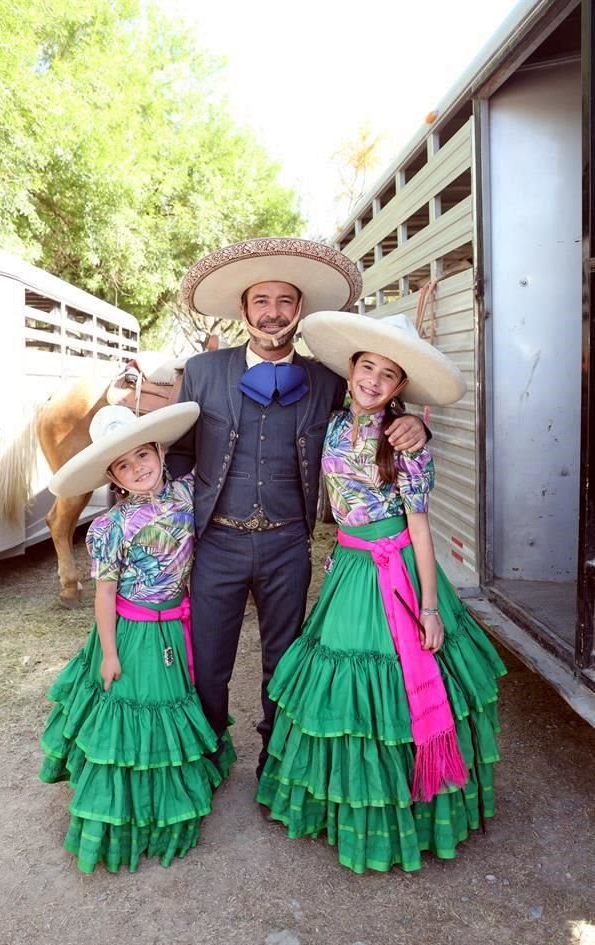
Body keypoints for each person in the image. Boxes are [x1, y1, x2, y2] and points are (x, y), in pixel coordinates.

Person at [166, 237, 429, 784]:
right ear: (244, 310)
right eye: (261, 300)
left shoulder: (326, 380)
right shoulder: (202, 371)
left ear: (300, 310)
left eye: (285, 300)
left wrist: (414, 423)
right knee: (209, 660)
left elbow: (371, 407)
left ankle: (276, 760)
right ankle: (208, 755)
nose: (273, 312)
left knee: (283, 661)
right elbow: (180, 456)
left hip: (288, 544)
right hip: (219, 541)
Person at [256, 311, 507, 873]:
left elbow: (419, 527)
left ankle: (411, 809)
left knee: (394, 684)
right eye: (367, 367)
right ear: (351, 369)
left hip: (393, 570)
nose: (373, 380)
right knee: (345, 690)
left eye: (388, 375)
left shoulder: (406, 441)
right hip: (347, 566)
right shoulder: (332, 421)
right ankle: (349, 802)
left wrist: (430, 605)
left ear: (399, 388)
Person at [39, 402, 234, 873]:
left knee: (173, 708)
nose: (137, 469)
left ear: (160, 453)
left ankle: (171, 796)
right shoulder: (110, 527)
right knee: (134, 716)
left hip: (178, 624)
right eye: (123, 466)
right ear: (114, 477)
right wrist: (108, 652)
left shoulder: (190, 495)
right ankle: (125, 811)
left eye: (142, 456)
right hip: (133, 632)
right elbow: (104, 594)